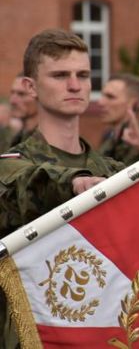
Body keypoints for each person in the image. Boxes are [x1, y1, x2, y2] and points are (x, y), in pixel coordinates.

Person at [0, 29, 124, 347]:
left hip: (106, 329)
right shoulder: (11, 166)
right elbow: (28, 184)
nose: (74, 85)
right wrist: (73, 183)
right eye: (60, 75)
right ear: (30, 86)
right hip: (35, 336)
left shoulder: (112, 171)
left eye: (83, 75)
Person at [98, 73, 139, 165]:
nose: (100, 102)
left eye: (110, 97)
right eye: (103, 96)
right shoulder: (111, 137)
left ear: (133, 104)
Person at [7, 73, 38, 147]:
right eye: (12, 93)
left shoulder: (52, 141)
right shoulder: (17, 139)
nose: (12, 101)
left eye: (21, 94)